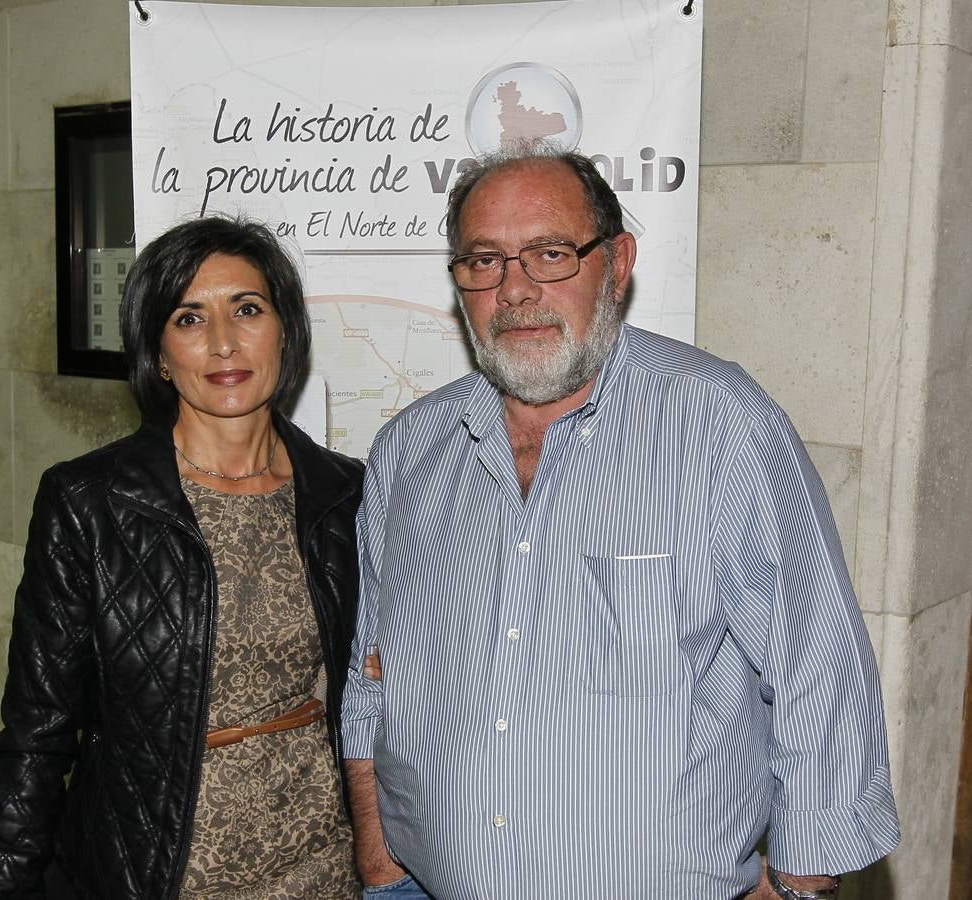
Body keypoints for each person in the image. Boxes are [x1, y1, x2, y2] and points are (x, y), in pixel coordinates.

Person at [340, 146, 901, 900]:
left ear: (617, 261)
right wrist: (379, 860)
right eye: (484, 260)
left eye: (549, 253)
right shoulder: (408, 452)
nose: (515, 290)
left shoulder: (717, 422)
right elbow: (373, 679)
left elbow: (817, 664)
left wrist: (797, 886)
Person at [0, 216, 364, 899]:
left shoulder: (345, 496)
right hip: (156, 868)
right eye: (188, 318)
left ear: (285, 330)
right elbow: (37, 734)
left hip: (318, 861)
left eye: (247, 309)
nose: (222, 342)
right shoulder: (91, 503)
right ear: (157, 352)